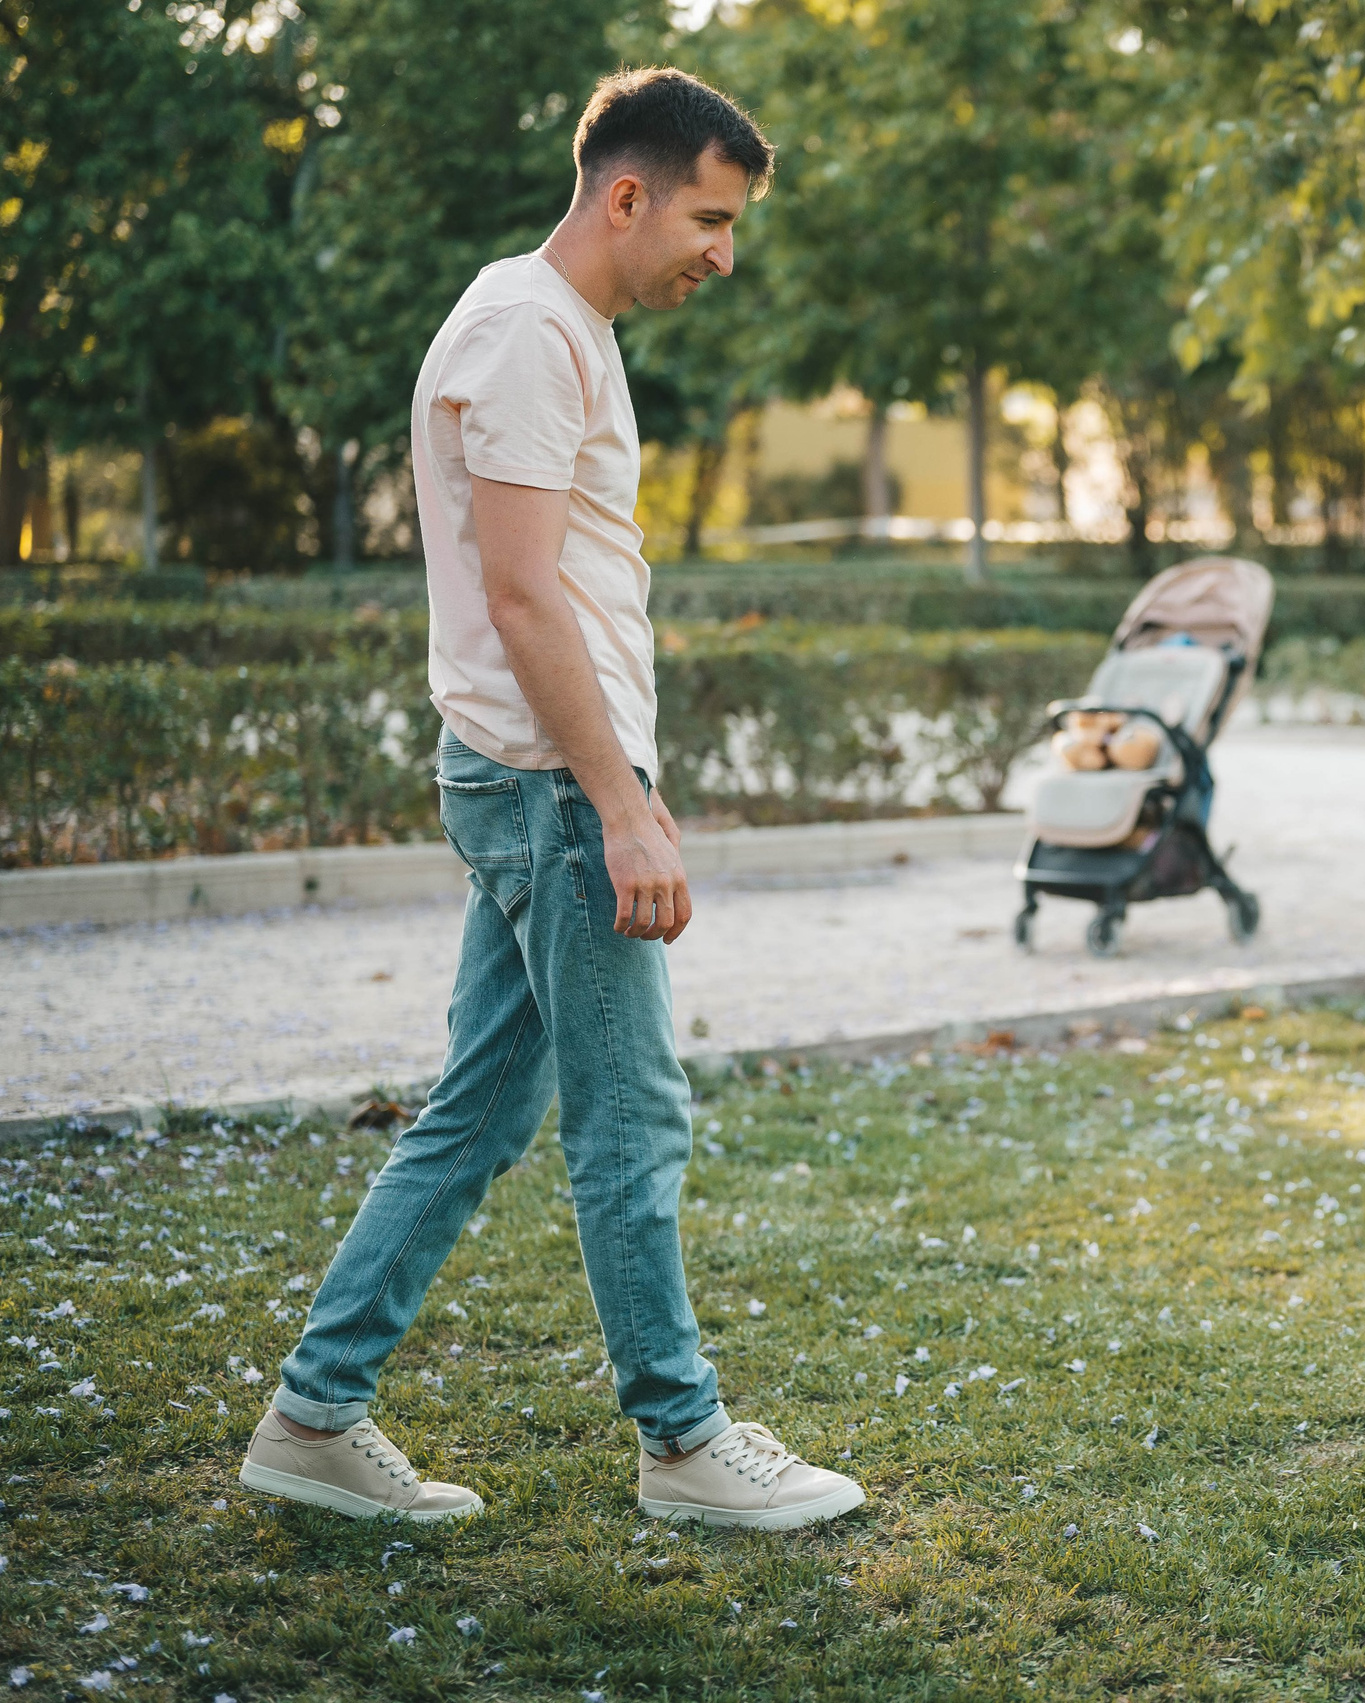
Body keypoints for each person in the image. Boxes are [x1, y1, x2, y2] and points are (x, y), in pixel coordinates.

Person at [240, 69, 864, 1530]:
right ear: (628, 193)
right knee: (632, 1117)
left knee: (473, 1116)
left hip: (537, 781)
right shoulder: (528, 332)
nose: (726, 252)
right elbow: (522, 595)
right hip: (551, 787)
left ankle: (312, 1416)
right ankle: (684, 1439)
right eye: (711, 218)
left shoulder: (551, 323)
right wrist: (622, 806)